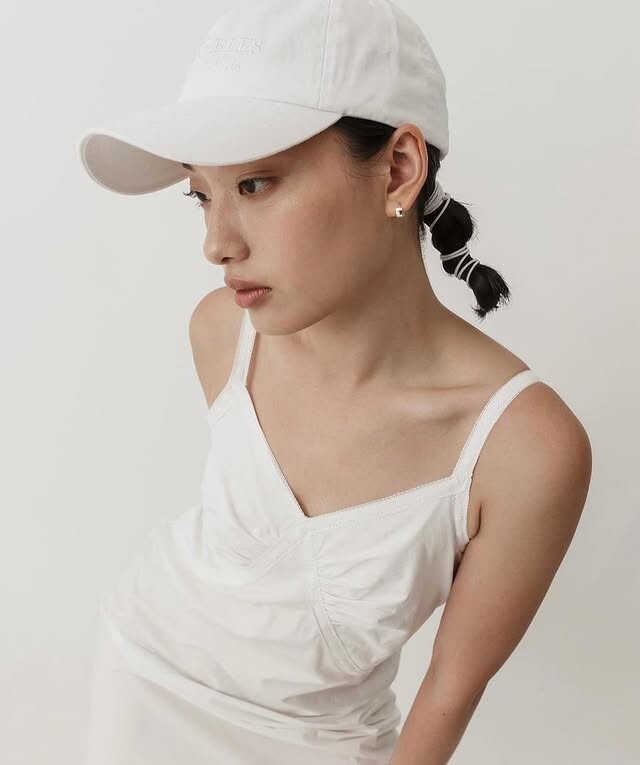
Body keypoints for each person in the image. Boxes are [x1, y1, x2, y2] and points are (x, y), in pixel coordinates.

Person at [78, 1, 592, 763]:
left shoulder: (525, 448)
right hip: (142, 680)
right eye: (202, 195)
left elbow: (449, 692)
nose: (217, 243)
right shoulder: (223, 332)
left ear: (398, 168)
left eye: (256, 184)